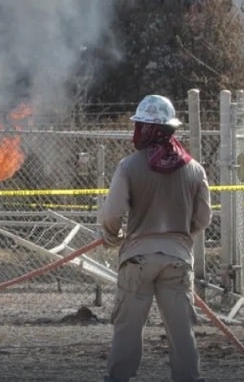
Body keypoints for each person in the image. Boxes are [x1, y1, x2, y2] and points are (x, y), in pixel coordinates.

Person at [99, 95, 212, 382]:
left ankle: (119, 378)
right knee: (181, 330)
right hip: (177, 260)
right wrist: (179, 240)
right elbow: (203, 218)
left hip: (137, 259)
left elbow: (112, 213)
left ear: (145, 129)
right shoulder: (195, 169)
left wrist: (112, 236)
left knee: (128, 328)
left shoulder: (129, 166)